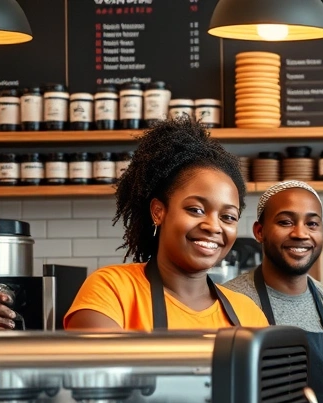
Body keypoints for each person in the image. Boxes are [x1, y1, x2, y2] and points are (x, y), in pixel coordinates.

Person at [64, 116, 268, 330]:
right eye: (196, 210)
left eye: (228, 217)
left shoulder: (248, 313)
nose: (214, 226)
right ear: (158, 212)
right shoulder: (112, 290)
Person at [224, 181, 323, 403]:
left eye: (312, 223)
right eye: (285, 222)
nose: (300, 233)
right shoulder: (229, 300)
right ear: (260, 231)